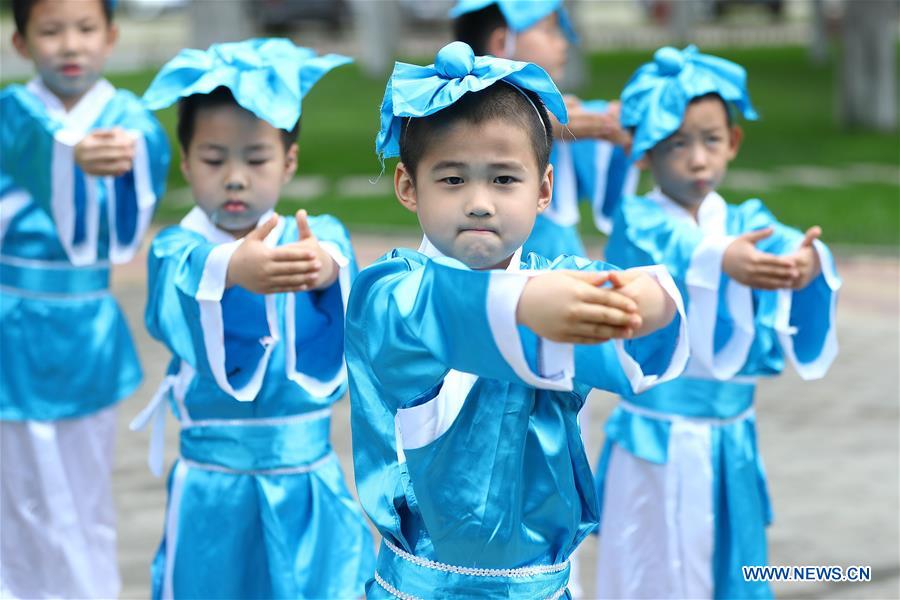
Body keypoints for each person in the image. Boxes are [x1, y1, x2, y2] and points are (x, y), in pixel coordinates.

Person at [347, 41, 689, 598]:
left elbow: (651, 302)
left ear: (544, 189)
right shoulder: (386, 290)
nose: (480, 202)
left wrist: (642, 302)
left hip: (540, 587)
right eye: (453, 180)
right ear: (408, 187)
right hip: (419, 587)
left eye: (504, 179)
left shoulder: (561, 278)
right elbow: (435, 312)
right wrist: (528, 307)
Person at [593, 45, 841, 599]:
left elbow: (785, 245)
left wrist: (803, 265)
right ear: (643, 153)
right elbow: (674, 246)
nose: (698, 160)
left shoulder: (746, 219)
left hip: (733, 436)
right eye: (677, 144)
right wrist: (723, 258)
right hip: (660, 439)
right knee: (656, 566)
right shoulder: (637, 219)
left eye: (710, 140)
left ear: (733, 142)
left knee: (736, 560)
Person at [134, 38, 374, 599]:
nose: (236, 177)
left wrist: (320, 267)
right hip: (213, 488)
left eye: (256, 158)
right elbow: (182, 281)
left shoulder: (313, 234)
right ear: (186, 162)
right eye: (214, 159)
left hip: (307, 480)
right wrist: (234, 269)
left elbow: (336, 261)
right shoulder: (177, 248)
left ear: (289, 161)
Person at [0, 0, 169, 596]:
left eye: (85, 29)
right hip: (12, 323)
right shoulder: (12, 112)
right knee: (17, 489)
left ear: (111, 36)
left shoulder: (128, 119)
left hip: (86, 325)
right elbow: (30, 140)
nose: (70, 45)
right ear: (21, 43)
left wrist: (119, 158)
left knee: (85, 484)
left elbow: (147, 163)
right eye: (51, 31)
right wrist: (70, 156)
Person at [451, 0, 638, 258]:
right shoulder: (458, 115)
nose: (563, 42)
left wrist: (621, 124)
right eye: (549, 30)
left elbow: (606, 124)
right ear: (502, 42)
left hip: (558, 261)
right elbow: (482, 124)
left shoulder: (560, 113)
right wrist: (538, 124)